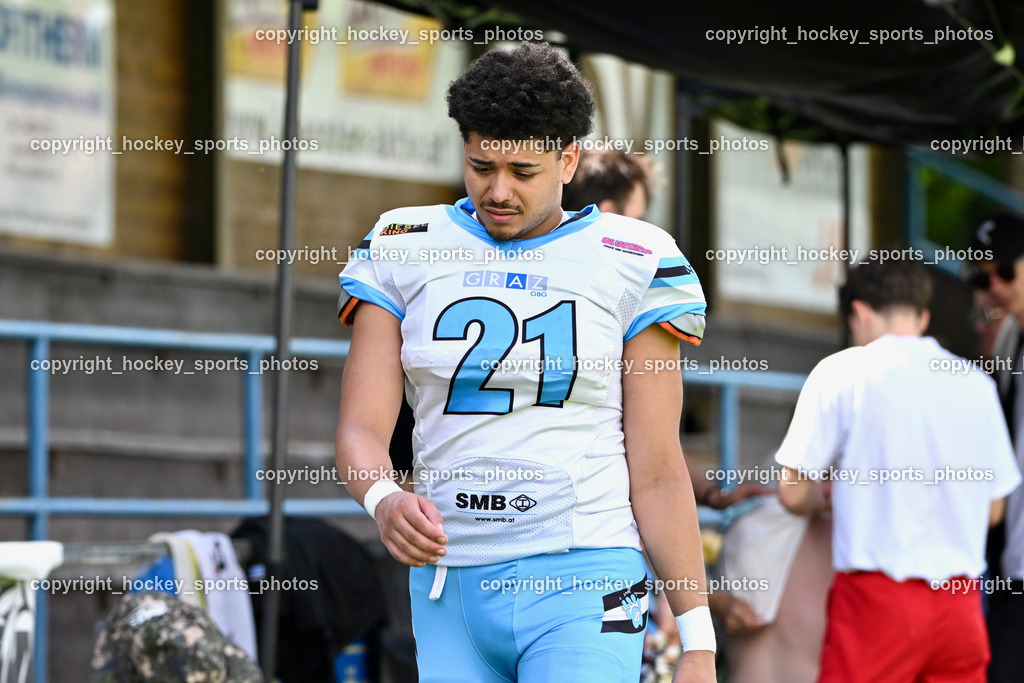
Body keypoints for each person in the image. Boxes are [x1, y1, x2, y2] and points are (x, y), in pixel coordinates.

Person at [335, 42, 715, 682]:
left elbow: (656, 468)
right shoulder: (404, 244)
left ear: (568, 160)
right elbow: (360, 428)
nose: (498, 189)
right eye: (481, 165)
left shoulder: (635, 257)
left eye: (522, 169)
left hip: (590, 571)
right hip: (449, 580)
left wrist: (698, 642)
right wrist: (381, 498)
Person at [560, 150, 769, 652]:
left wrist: (710, 492)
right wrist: (708, 612)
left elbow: (652, 448)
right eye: (638, 216)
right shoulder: (617, 298)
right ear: (609, 212)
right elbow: (643, 469)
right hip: (593, 567)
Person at [775, 257, 1019, 682]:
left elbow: (792, 493)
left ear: (860, 311)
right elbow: (994, 511)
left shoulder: (843, 372)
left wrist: (827, 493)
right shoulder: (977, 384)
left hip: (877, 602)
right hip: (960, 604)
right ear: (922, 316)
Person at [967, 213, 1024, 682]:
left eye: (1006, 271)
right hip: (1011, 563)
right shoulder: (1009, 344)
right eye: (984, 277)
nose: (996, 287)